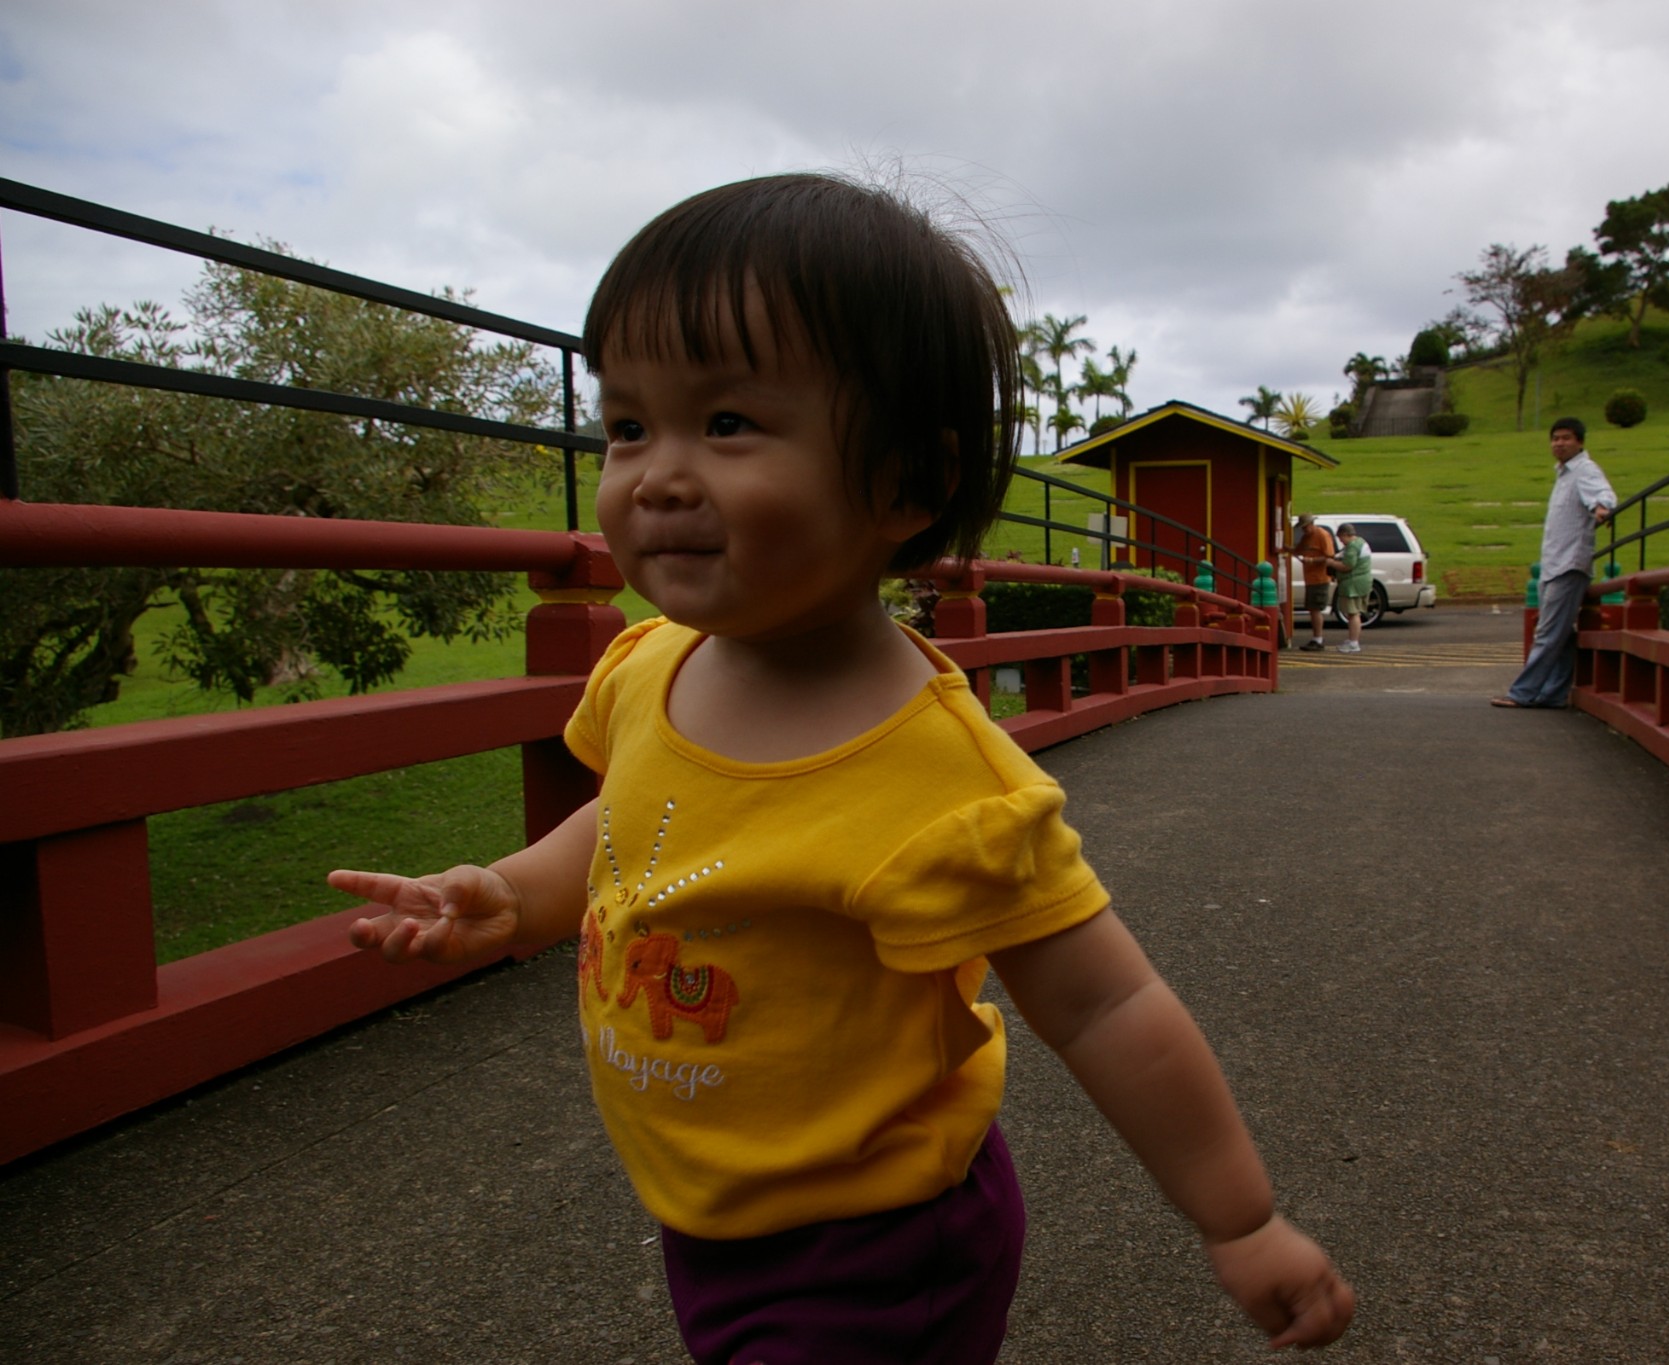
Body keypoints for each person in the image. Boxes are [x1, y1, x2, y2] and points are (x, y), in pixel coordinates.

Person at [328, 174, 1353, 1364]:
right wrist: (510, 894)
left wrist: (1239, 1221)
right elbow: (623, 824)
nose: (655, 474)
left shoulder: (936, 776)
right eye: (625, 426)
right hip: (711, 1212)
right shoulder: (648, 666)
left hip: (869, 1250)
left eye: (726, 424)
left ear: (904, 483)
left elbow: (1106, 1003)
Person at [1493, 416, 1616, 708]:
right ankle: (1552, 694)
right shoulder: (1564, 475)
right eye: (1555, 438)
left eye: (1566, 438)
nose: (1559, 443)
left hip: (1569, 565)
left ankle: (1522, 693)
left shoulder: (1585, 469)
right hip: (1554, 564)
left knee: (1548, 634)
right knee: (1560, 634)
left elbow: (1603, 494)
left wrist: (1602, 508)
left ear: (1580, 442)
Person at [1291, 512, 1337, 650]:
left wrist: (1311, 560)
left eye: (1306, 527)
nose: (1304, 530)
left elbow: (1330, 556)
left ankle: (1318, 639)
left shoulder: (1322, 535)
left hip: (1320, 577)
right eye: (1303, 528)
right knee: (1312, 609)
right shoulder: (1307, 537)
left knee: (1315, 609)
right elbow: (1297, 550)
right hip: (1310, 578)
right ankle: (1316, 638)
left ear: (1312, 524)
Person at [1330, 523, 1373, 654]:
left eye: (1341, 538)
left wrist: (1331, 563)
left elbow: (1347, 566)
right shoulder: (1361, 542)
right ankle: (1352, 640)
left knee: (1353, 613)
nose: (1341, 541)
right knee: (1354, 613)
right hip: (1363, 582)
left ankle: (1354, 644)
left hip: (1353, 584)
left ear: (1345, 534)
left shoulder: (1352, 547)